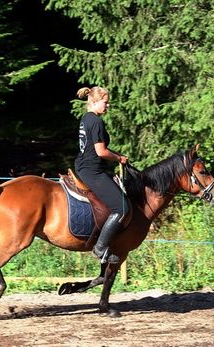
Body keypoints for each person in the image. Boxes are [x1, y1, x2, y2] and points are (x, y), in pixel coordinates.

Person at [74, 86, 129, 264]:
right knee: (122, 208)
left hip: (84, 166)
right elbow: (100, 152)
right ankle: (100, 248)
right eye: (105, 102)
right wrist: (118, 157)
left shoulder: (86, 118)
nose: (108, 105)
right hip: (92, 170)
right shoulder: (97, 122)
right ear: (96, 101)